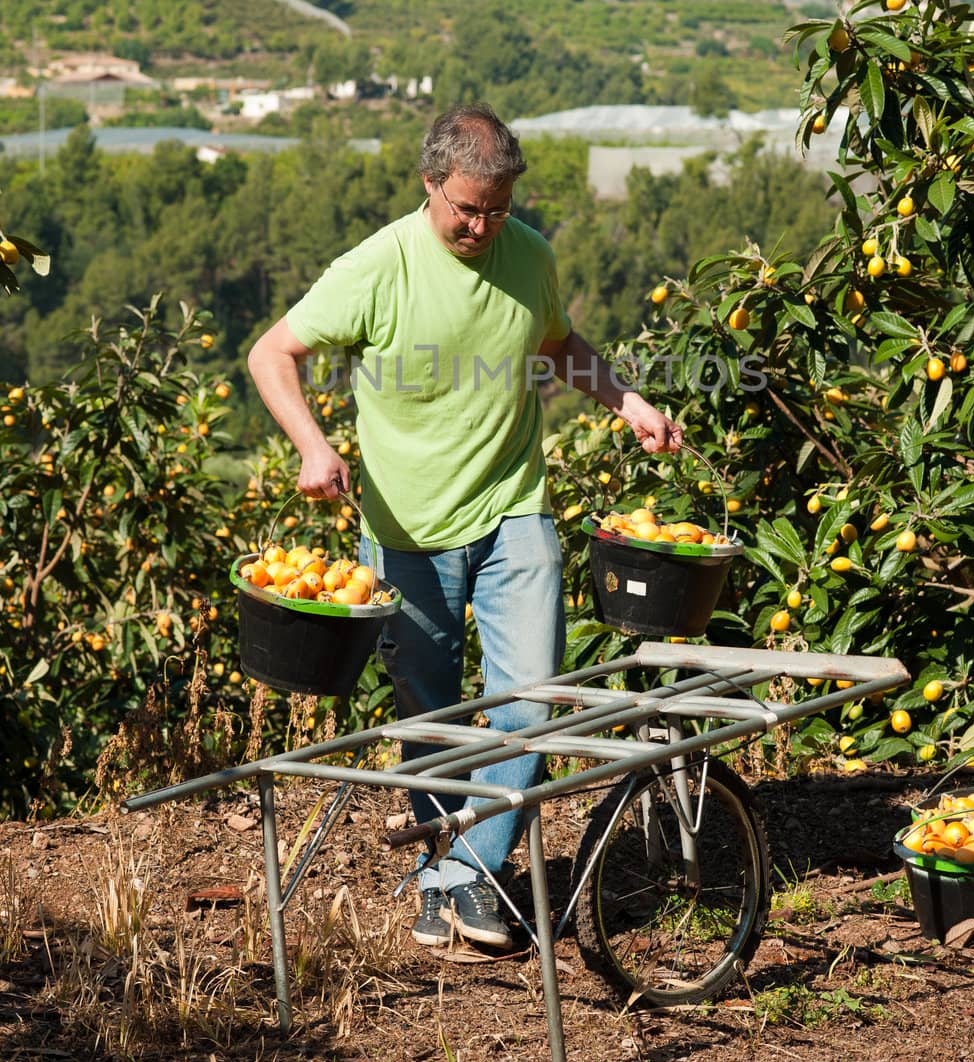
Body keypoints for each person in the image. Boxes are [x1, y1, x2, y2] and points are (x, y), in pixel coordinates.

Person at [248, 104, 681, 950]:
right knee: (429, 713)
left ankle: (476, 872)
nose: (482, 225)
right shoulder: (378, 265)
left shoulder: (531, 255)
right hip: (406, 530)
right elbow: (272, 352)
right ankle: (434, 872)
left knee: (536, 699)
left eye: (497, 208)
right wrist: (312, 445)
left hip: (514, 508)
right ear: (430, 184)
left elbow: (555, 343)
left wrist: (627, 399)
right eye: (466, 209)